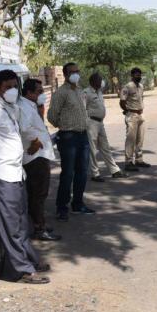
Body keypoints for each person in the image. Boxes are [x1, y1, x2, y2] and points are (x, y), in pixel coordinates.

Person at [0, 69, 49, 284]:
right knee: (11, 226)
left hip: (16, 173)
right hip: (2, 174)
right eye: (8, 87)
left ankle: (29, 259)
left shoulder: (10, 109)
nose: (13, 91)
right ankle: (21, 270)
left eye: (16, 86)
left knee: (21, 222)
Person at [47, 62, 95, 221]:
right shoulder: (61, 93)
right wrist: (64, 126)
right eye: (72, 72)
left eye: (78, 71)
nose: (76, 74)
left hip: (83, 136)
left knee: (82, 171)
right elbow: (52, 115)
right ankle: (62, 207)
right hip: (68, 137)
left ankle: (78, 203)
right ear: (66, 75)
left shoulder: (80, 91)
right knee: (68, 173)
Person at [18, 78, 61, 242]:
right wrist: (36, 141)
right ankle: (39, 228)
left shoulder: (31, 106)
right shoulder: (24, 107)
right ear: (29, 93)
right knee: (38, 194)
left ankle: (39, 223)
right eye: (39, 92)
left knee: (39, 194)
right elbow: (25, 128)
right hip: (35, 156)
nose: (42, 94)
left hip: (40, 154)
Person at [83, 72, 125, 182]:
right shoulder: (86, 93)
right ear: (92, 82)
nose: (101, 82)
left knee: (105, 147)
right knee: (92, 150)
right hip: (91, 123)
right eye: (99, 80)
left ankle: (114, 170)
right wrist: (87, 123)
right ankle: (95, 173)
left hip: (100, 123)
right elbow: (83, 109)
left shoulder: (99, 92)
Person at [121, 67, 149, 171]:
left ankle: (139, 160)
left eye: (139, 74)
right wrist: (127, 110)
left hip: (141, 114)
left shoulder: (141, 86)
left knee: (140, 139)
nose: (139, 76)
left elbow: (141, 99)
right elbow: (122, 101)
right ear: (132, 76)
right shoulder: (127, 87)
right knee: (130, 139)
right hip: (131, 115)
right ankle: (128, 162)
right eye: (136, 75)